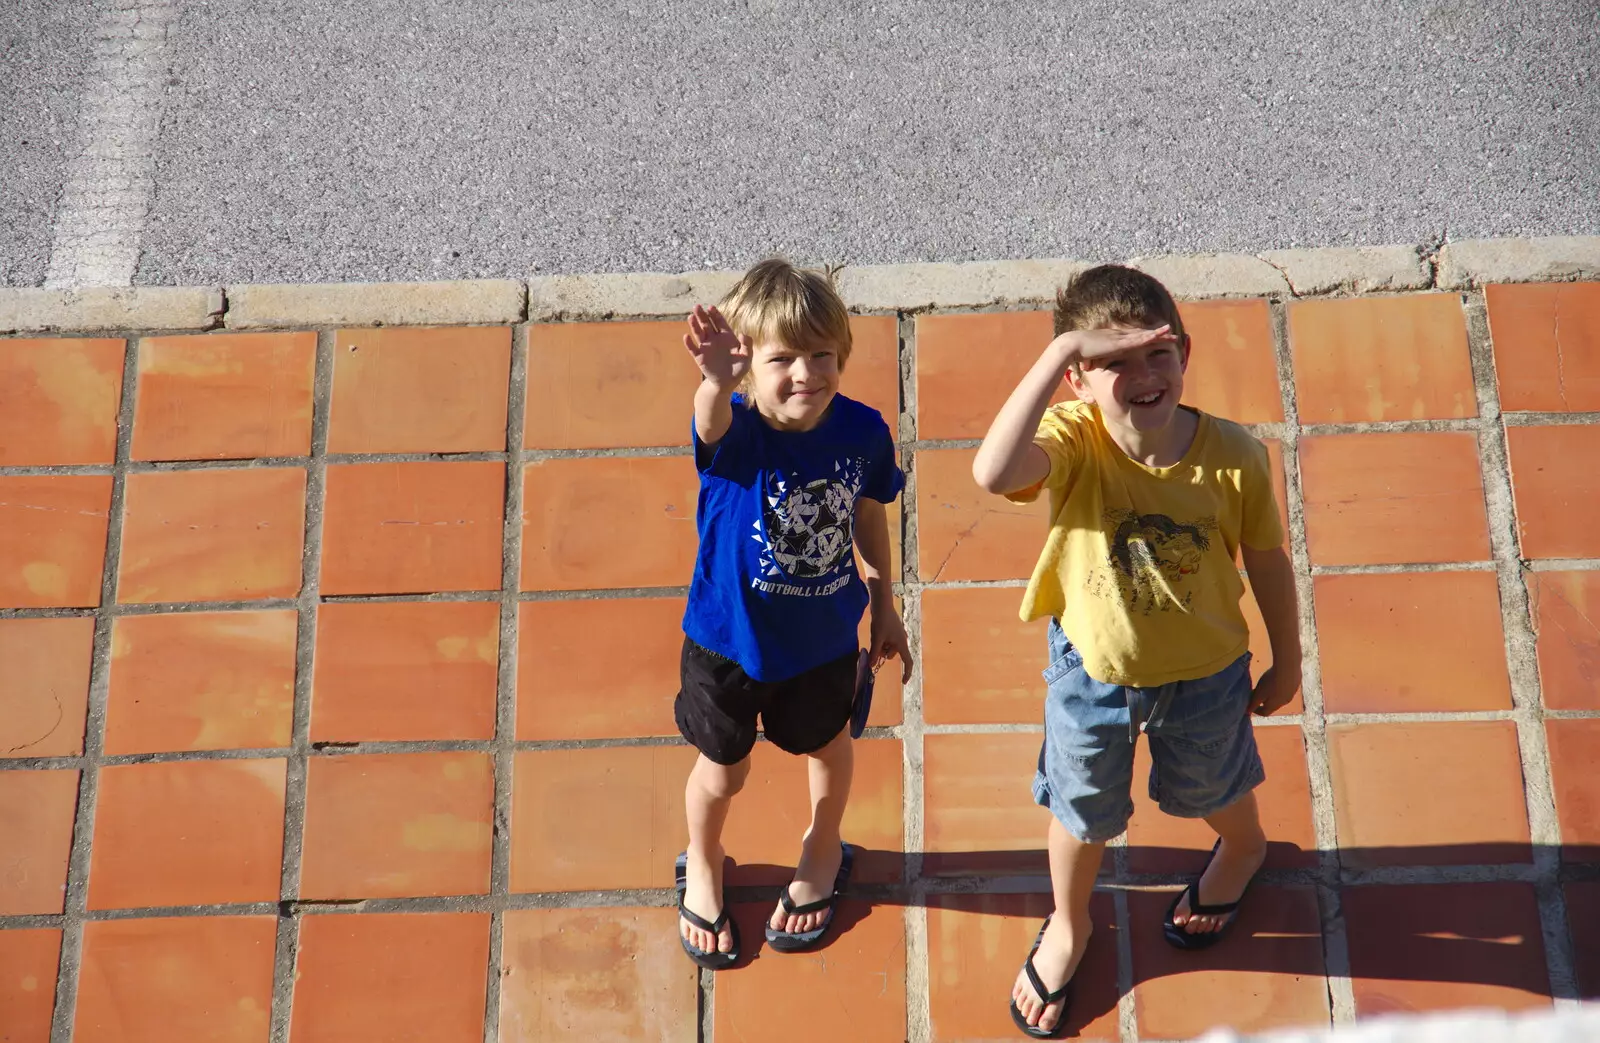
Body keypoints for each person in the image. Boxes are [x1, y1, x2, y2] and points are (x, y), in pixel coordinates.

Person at [970, 265, 1302, 1038]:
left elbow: (1267, 561)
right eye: (1113, 361)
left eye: (1158, 354)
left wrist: (1289, 659)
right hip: (1091, 675)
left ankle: (1245, 849)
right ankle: (1068, 923)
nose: (1143, 376)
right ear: (1078, 380)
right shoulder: (1073, 440)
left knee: (1216, 790)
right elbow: (992, 471)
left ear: (1185, 352)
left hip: (1208, 674)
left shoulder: (1233, 456)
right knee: (1081, 816)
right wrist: (1060, 352)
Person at [672, 258, 913, 969]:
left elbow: (867, 514)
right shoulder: (738, 434)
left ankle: (823, 844)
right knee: (721, 772)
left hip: (822, 645)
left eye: (821, 355)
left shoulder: (863, 431)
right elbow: (708, 420)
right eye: (782, 358)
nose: (806, 372)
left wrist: (884, 601)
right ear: (748, 369)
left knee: (829, 749)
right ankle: (704, 858)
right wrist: (716, 381)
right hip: (726, 645)